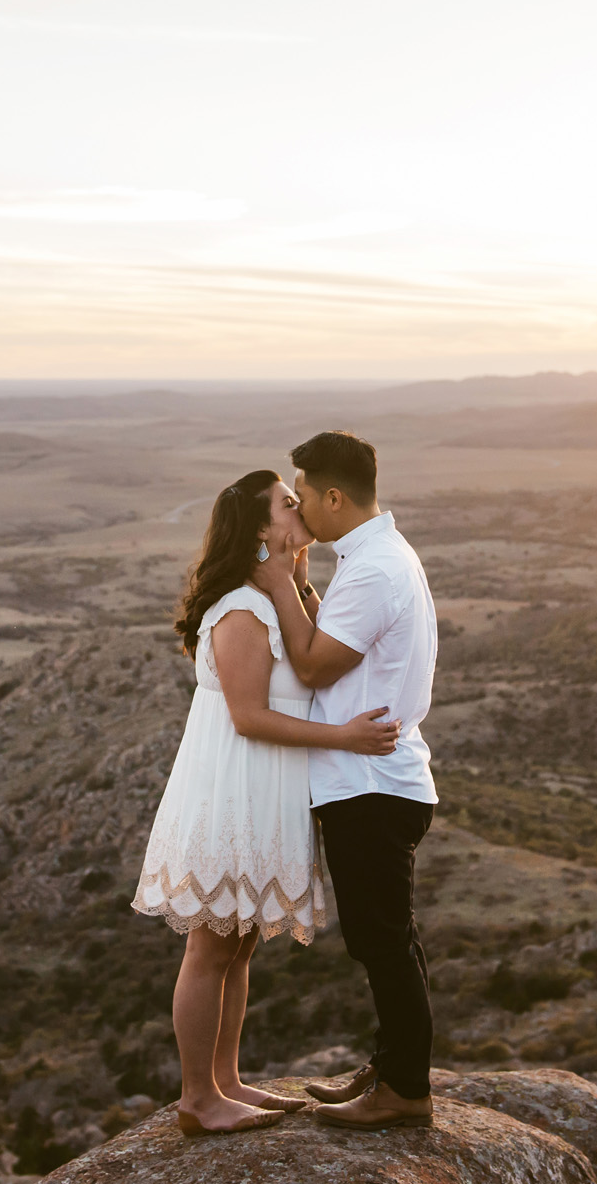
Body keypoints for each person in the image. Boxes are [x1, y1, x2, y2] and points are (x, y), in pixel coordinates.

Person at [131, 468, 403, 1138]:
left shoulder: (274, 597)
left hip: (262, 789)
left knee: (240, 945)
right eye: (286, 502)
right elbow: (249, 716)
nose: (298, 505)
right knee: (211, 947)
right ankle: (199, 1098)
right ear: (258, 529)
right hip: (232, 792)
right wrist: (343, 737)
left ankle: (226, 1080)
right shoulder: (241, 609)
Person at [251, 431, 441, 1131]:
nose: (299, 507)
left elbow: (313, 665)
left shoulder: (371, 570)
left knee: (381, 941)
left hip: (369, 783)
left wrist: (276, 583)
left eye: (303, 495)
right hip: (381, 778)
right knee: (392, 937)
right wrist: (300, 583)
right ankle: (393, 1067)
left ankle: (406, 1092)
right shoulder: (379, 557)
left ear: (334, 497)